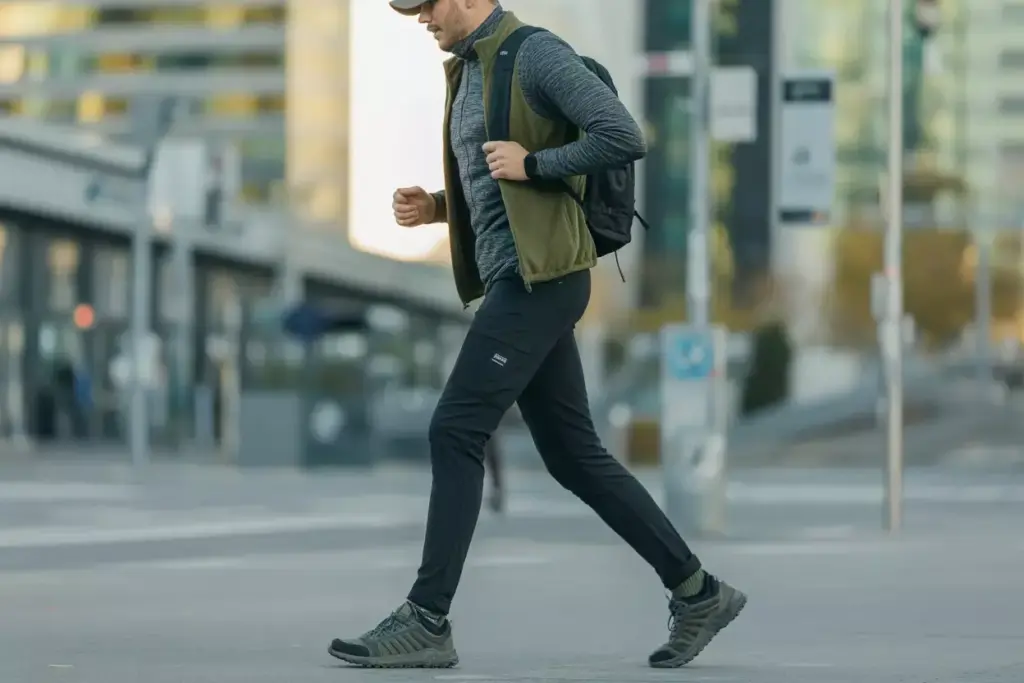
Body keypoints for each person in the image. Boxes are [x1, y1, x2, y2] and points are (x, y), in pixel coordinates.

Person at [328, 0, 746, 669]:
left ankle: (427, 618)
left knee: (455, 428)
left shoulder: (534, 54)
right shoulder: (468, 73)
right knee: (574, 455)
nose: (421, 20)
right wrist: (438, 206)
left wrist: (537, 165)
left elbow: (623, 134)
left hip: (542, 280)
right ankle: (698, 591)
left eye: (427, 7)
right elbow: (496, 184)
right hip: (518, 280)